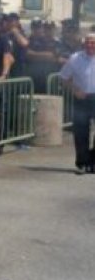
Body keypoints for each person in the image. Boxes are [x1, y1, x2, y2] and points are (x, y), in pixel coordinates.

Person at [60, 33, 95, 174]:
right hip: (82, 98)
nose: (90, 45)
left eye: (93, 42)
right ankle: (82, 162)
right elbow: (64, 78)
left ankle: (93, 161)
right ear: (83, 44)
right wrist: (75, 91)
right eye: (88, 42)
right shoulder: (75, 58)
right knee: (81, 132)